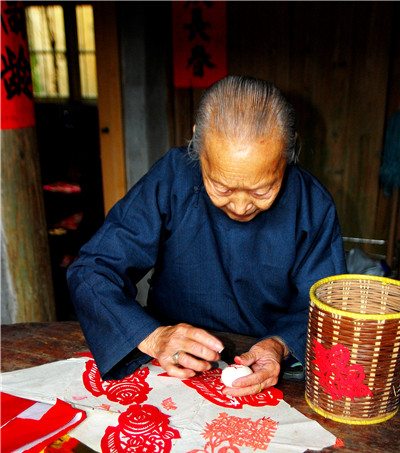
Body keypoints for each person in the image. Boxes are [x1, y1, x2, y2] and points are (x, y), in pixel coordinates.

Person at [67, 76, 346, 396]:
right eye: (222, 187)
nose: (241, 207)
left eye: (262, 189)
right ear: (198, 143)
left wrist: (279, 346)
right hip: (170, 363)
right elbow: (93, 269)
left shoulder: (313, 204)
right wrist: (154, 337)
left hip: (260, 369)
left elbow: (324, 307)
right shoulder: (173, 178)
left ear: (288, 150)